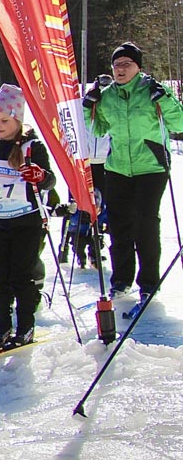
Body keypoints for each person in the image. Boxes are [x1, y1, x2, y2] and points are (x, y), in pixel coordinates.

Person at [83, 42, 183, 305]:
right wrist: (88, 107)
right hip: (117, 168)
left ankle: (149, 282)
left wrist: (165, 98)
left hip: (150, 167)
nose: (121, 69)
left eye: (127, 64)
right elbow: (97, 130)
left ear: (138, 67)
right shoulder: (108, 95)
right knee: (118, 226)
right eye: (117, 65)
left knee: (145, 225)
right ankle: (121, 280)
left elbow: (179, 123)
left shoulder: (151, 91)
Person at [0, 85, 56, 349]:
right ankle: (2, 326)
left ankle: (25, 326)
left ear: (18, 119)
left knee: (21, 275)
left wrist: (39, 176)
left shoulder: (32, 146)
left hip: (26, 221)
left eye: (4, 121)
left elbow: (50, 181)